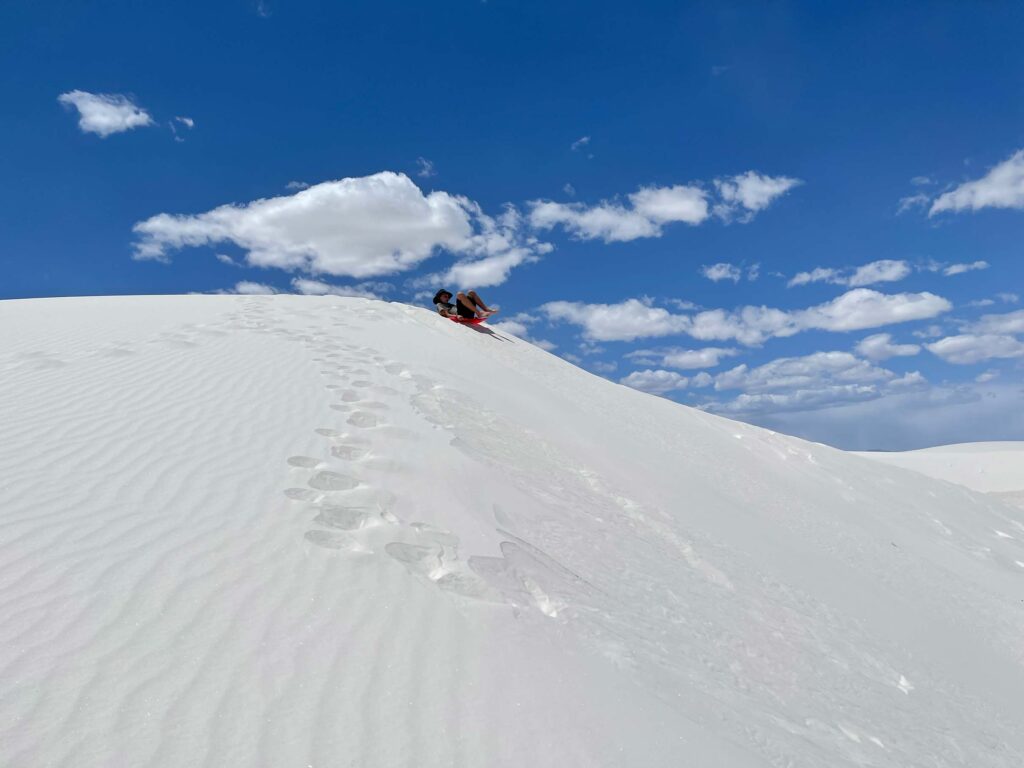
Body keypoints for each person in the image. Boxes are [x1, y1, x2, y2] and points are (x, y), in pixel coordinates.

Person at [433, 289, 498, 320]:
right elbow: (444, 314)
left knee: (471, 292)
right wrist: (455, 316)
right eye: (445, 296)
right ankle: (479, 313)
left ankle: (485, 309)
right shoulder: (439, 304)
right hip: (460, 315)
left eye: (448, 297)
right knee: (460, 294)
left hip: (467, 313)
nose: (447, 298)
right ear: (439, 298)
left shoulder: (451, 305)